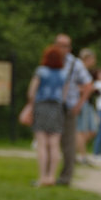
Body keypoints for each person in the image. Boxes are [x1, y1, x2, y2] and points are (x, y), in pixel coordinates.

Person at [53, 36, 93, 185]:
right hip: (51, 107)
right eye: (59, 45)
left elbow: (89, 85)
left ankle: (65, 178)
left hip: (68, 107)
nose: (61, 48)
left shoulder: (75, 64)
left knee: (68, 144)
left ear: (69, 48)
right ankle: (48, 176)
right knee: (50, 142)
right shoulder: (51, 60)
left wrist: (79, 105)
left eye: (64, 46)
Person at [27, 44, 68, 186]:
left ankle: (42, 177)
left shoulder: (41, 71)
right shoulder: (63, 73)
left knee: (42, 144)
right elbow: (64, 95)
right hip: (56, 108)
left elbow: (32, 92)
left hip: (42, 107)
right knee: (55, 144)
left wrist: (31, 107)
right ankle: (52, 177)